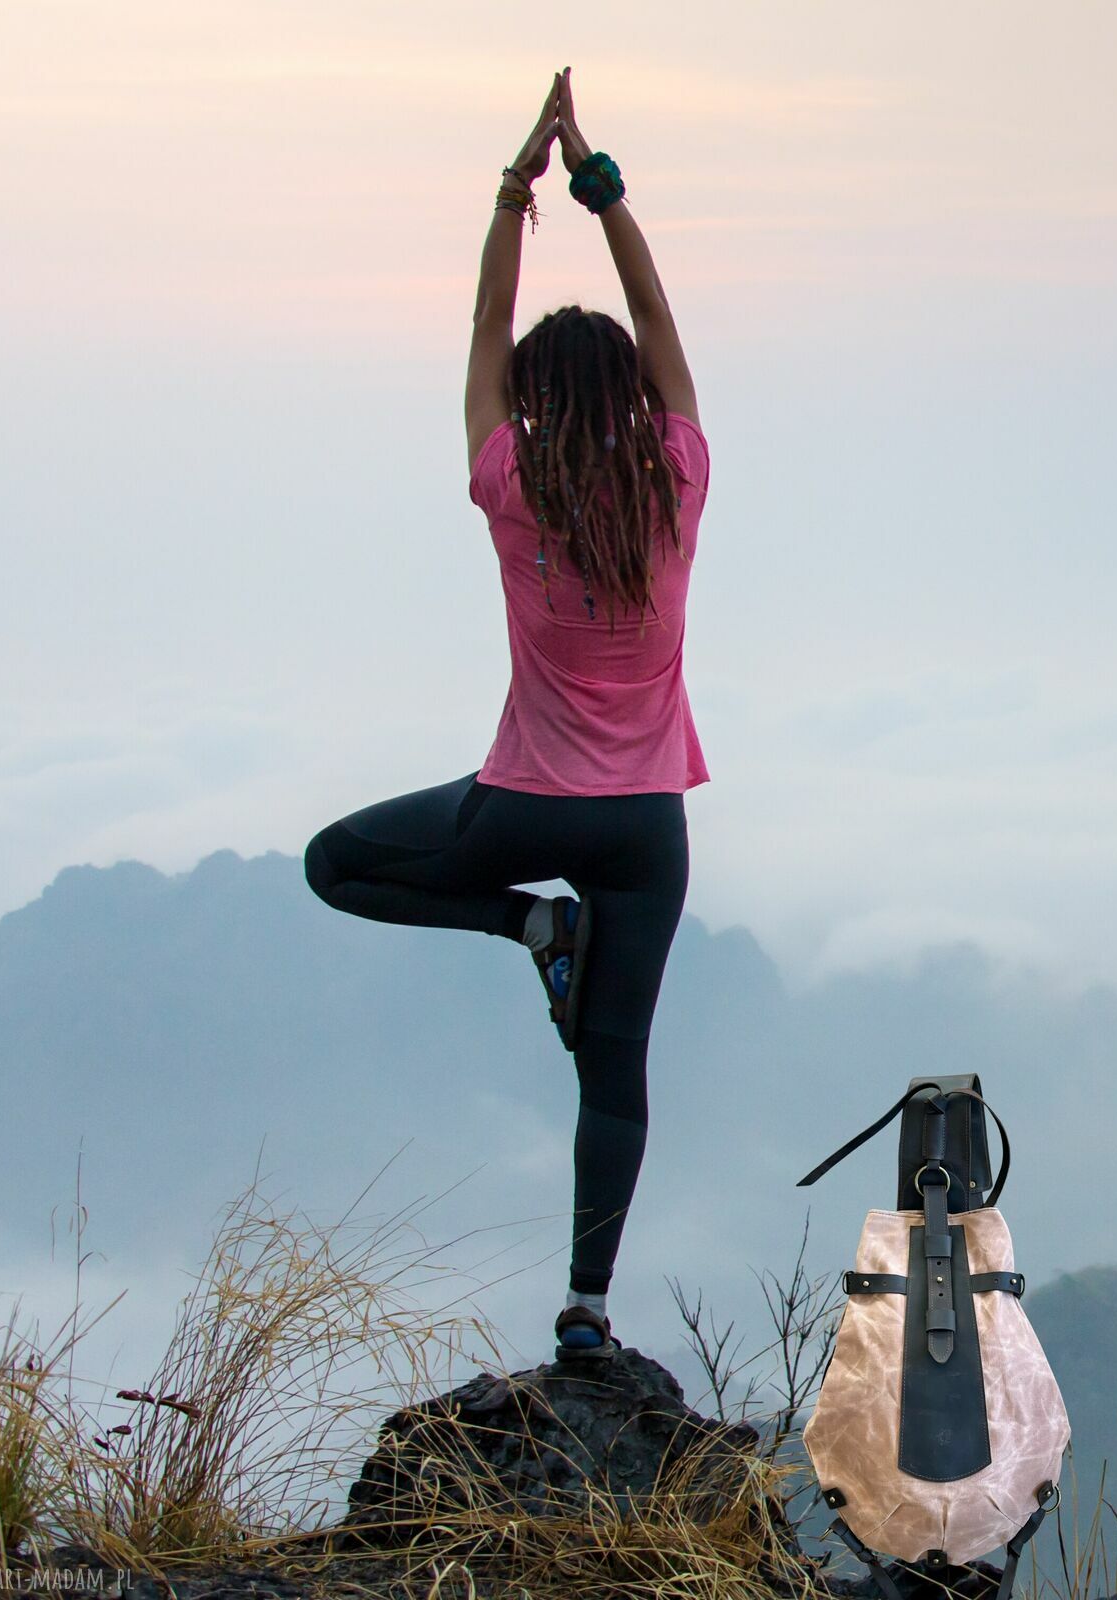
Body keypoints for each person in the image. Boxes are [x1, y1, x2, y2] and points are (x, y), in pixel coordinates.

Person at [303, 67, 710, 1365]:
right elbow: (656, 315)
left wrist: (512, 196)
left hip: (523, 809)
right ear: (635, 400)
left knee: (335, 863)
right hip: (644, 828)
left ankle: (531, 924)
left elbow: (486, 326)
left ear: (534, 401)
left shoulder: (509, 481)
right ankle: (587, 1308)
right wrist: (604, 192)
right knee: (615, 1071)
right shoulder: (679, 480)